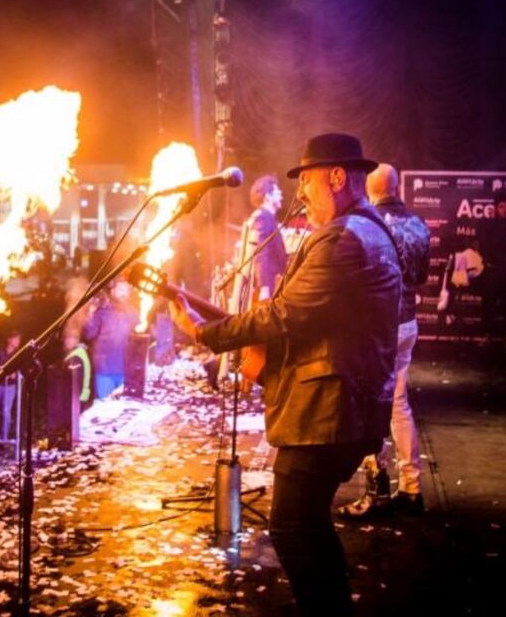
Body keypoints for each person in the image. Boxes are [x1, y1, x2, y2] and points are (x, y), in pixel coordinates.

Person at [172, 134, 401, 616]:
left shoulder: (342, 238)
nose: (302, 196)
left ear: (337, 178)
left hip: (328, 414)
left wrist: (204, 334)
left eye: (310, 183)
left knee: (293, 527)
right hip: (348, 408)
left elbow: (284, 315)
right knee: (309, 525)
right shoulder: (368, 230)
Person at [338, 163, 431, 518]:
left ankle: (375, 492)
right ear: (396, 187)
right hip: (407, 321)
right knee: (398, 404)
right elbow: (420, 276)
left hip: (376, 325)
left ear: (371, 188)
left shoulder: (367, 224)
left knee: (367, 404)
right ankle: (411, 488)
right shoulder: (419, 224)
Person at [82, 279, 139, 399]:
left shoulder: (132, 313)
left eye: (126, 290)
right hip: (105, 371)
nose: (124, 293)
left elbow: (141, 336)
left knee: (124, 410)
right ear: (112, 291)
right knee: (105, 410)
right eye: (120, 289)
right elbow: (89, 334)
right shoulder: (101, 312)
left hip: (126, 371)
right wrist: (90, 313)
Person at [479, 191, 506, 347]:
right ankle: (486, 335)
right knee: (488, 304)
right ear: (496, 208)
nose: (504, 209)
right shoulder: (488, 226)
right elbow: (484, 248)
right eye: (501, 207)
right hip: (492, 271)